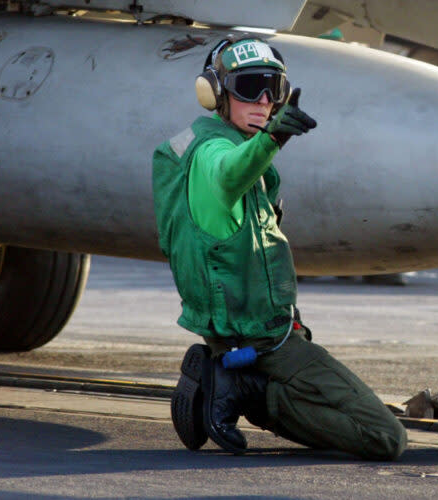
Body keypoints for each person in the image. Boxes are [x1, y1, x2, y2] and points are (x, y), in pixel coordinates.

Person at [152, 36, 407, 459]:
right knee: (385, 438)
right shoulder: (214, 152)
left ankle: (232, 381)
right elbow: (227, 174)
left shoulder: (214, 147)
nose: (265, 101)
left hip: (250, 334)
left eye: (274, 88)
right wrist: (271, 140)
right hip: (264, 343)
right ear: (214, 92)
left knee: (328, 407)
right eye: (250, 87)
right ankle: (242, 389)